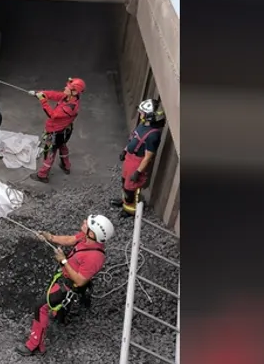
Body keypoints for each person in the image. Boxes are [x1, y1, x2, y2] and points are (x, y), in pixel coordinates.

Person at [16, 214, 114, 356]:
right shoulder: (88, 238)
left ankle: (35, 344)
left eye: (87, 223)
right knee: (60, 307)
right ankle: (60, 317)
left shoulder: (95, 258)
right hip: (66, 277)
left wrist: (63, 262)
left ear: (92, 233)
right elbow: (70, 239)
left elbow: (80, 281)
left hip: (70, 285)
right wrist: (50, 237)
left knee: (41, 306)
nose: (84, 222)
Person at [112, 99, 165, 216]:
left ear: (149, 116)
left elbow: (148, 157)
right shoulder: (143, 125)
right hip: (130, 158)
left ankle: (130, 210)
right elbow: (134, 139)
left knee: (131, 188)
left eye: (142, 112)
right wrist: (125, 151)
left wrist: (138, 171)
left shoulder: (153, 135)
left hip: (137, 162)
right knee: (124, 182)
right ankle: (124, 201)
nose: (140, 114)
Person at [27, 78, 85, 183]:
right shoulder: (70, 98)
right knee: (62, 146)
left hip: (56, 132)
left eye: (68, 87)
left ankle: (42, 175)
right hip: (64, 131)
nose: (65, 88)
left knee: (49, 152)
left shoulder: (70, 107)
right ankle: (66, 165)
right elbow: (55, 95)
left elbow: (52, 115)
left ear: (75, 91)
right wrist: (41, 93)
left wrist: (43, 100)